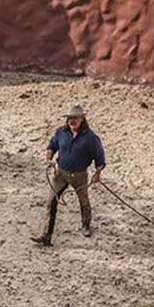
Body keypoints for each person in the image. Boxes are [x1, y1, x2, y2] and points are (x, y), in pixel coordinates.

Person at [32, 103, 106, 247]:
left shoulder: (91, 138)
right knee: (51, 201)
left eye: (75, 118)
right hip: (61, 173)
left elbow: (100, 157)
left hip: (80, 175)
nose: (72, 120)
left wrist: (98, 173)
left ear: (82, 119)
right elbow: (52, 146)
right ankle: (47, 235)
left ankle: (86, 225)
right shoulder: (61, 132)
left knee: (83, 201)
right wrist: (49, 159)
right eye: (70, 118)